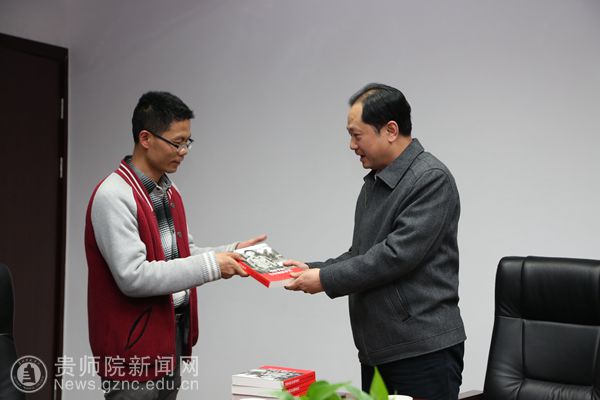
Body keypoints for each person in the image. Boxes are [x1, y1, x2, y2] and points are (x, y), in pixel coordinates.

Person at [285, 83, 466, 400]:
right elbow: (361, 254)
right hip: (381, 349)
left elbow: (395, 256)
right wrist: (311, 269)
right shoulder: (375, 183)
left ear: (391, 130)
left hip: (422, 350)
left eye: (357, 135)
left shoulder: (430, 178)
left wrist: (325, 279)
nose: (351, 145)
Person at [84, 91, 265, 399]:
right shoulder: (113, 196)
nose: (183, 151)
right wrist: (213, 266)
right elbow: (133, 276)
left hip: (169, 345)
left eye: (187, 142)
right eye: (177, 142)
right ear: (145, 138)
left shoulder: (169, 191)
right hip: (133, 355)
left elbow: (182, 256)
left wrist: (231, 252)